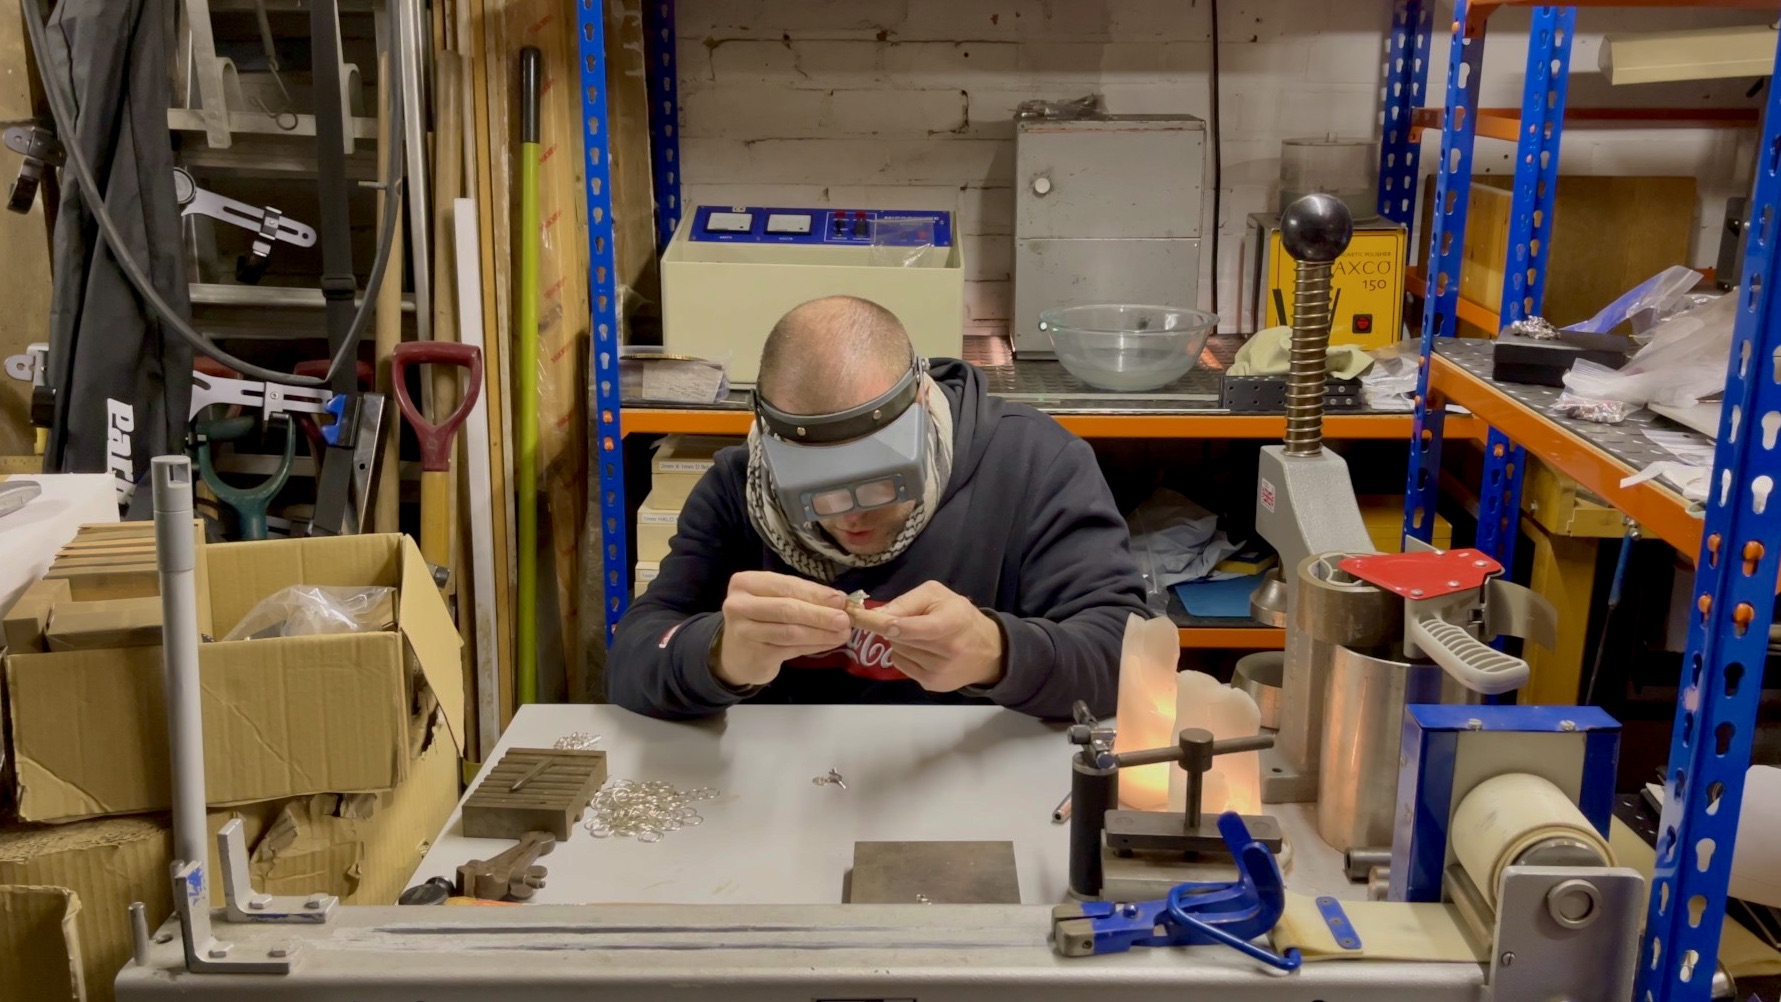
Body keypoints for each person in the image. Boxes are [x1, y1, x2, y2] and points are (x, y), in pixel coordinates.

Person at [609, 295, 1149, 720]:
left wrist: (1000, 653)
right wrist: (717, 655)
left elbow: (1128, 656)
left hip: (978, 781)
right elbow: (634, 659)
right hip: (786, 794)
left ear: (919, 408)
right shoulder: (737, 488)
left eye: (878, 485)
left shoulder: (1036, 465)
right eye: (814, 495)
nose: (848, 518)